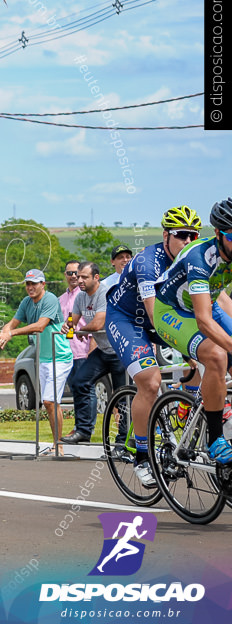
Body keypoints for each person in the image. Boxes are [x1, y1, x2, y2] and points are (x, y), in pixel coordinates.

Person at [105, 205, 202, 487]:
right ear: (165, 236)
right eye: (181, 235)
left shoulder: (192, 259)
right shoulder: (149, 263)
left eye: (193, 236)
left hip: (160, 316)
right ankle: (142, 455)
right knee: (150, 380)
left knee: (210, 355)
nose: (187, 241)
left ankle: (187, 420)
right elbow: (153, 315)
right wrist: (186, 346)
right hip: (127, 320)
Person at [152, 198, 232, 468]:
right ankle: (216, 439)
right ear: (219, 234)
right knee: (218, 355)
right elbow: (203, 322)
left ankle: (213, 403)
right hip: (171, 312)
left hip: (204, 302)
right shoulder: (200, 258)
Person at [0, 269, 72, 456]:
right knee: (51, 404)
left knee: (49, 401)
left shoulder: (50, 299)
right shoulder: (26, 302)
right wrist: (5, 332)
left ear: (43, 284)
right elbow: (12, 323)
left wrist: (11, 333)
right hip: (43, 358)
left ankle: (59, 445)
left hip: (59, 357)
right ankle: (57, 445)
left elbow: (39, 326)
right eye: (28, 284)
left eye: (34, 284)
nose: (30, 287)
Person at [61, 262, 125, 444]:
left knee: (122, 396)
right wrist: (69, 328)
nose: (79, 280)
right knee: (80, 381)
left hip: (120, 350)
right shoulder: (81, 297)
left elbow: (98, 324)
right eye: (78, 276)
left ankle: (123, 440)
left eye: (84, 277)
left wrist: (81, 331)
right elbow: (72, 323)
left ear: (96, 277)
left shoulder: (105, 293)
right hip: (104, 351)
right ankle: (83, 431)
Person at [59, 260, 91, 383]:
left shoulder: (87, 295)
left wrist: (91, 351)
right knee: (75, 390)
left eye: (76, 273)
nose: (73, 276)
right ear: (65, 274)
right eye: (70, 273)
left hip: (83, 352)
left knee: (86, 389)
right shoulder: (61, 299)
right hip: (66, 353)